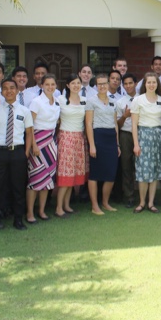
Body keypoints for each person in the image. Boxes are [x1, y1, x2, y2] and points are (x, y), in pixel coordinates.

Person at [0, 79, 34, 234]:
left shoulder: (24, 111)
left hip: (18, 152)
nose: (9, 91)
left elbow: (29, 133)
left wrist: (26, 153)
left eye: (12, 88)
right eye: (5, 88)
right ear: (2, 92)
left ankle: (18, 220)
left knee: (18, 188)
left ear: (17, 90)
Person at [131, 72, 161, 214]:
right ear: (144, 84)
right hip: (143, 136)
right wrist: (136, 144)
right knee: (143, 171)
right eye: (149, 82)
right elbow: (134, 125)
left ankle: (151, 203)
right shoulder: (138, 100)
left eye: (154, 82)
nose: (151, 85)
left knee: (154, 171)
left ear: (157, 84)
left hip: (158, 137)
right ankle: (141, 202)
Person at [26, 74, 61, 223]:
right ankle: (30, 213)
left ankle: (41, 210)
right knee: (35, 178)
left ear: (56, 86)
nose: (50, 87)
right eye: (47, 84)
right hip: (38, 142)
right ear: (42, 85)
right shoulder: (36, 102)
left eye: (53, 84)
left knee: (47, 179)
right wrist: (33, 145)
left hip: (51, 143)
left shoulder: (57, 102)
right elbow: (30, 125)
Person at [85, 73, 120, 215]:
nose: (102, 86)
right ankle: (95, 206)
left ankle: (105, 203)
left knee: (111, 173)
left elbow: (115, 123)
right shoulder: (91, 101)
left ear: (108, 84)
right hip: (98, 136)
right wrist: (92, 145)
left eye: (104, 83)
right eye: (99, 84)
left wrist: (117, 144)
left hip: (111, 138)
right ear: (96, 86)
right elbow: (88, 124)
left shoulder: (113, 101)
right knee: (95, 173)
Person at [55, 74, 88, 217]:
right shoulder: (60, 100)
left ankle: (67, 205)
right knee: (66, 174)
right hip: (66, 138)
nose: (76, 85)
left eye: (78, 83)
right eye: (73, 83)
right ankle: (58, 208)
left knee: (73, 174)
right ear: (67, 85)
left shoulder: (84, 100)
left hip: (79, 138)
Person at [116, 73, 138, 207]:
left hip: (140, 134)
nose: (128, 86)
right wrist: (124, 116)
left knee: (141, 165)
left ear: (136, 83)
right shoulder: (120, 102)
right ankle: (129, 196)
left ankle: (144, 196)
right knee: (126, 165)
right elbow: (117, 125)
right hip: (125, 135)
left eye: (130, 83)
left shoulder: (142, 99)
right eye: (126, 84)